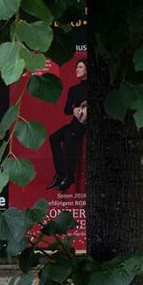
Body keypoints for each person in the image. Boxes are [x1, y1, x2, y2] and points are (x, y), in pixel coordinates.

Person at [48, 59, 89, 191]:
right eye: (76, 67)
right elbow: (66, 110)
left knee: (70, 135)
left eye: (80, 67)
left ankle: (70, 175)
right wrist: (74, 110)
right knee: (53, 138)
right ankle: (60, 174)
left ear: (88, 69)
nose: (77, 69)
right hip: (76, 122)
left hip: (87, 124)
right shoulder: (73, 90)